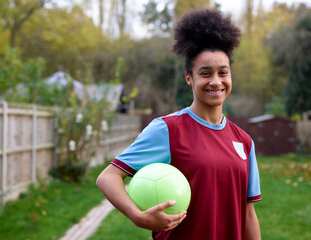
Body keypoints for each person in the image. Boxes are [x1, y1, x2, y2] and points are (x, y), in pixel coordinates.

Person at [97, 8, 262, 240]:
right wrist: (138, 216)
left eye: (223, 72)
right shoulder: (168, 130)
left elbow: (248, 214)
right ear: (189, 78)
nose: (216, 81)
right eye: (205, 73)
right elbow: (107, 177)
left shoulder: (244, 142)